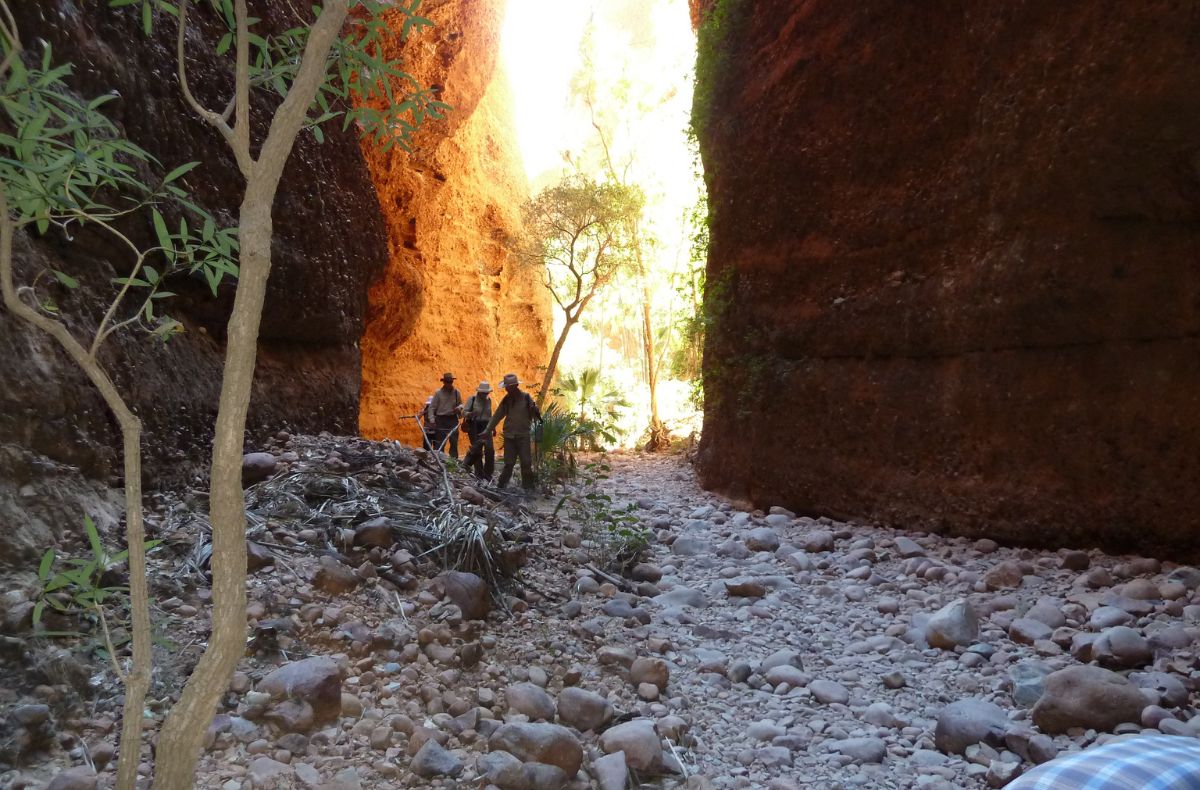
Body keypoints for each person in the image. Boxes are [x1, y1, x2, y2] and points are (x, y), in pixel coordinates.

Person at [483, 373, 541, 491]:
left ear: (515, 386)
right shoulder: (506, 400)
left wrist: (535, 411)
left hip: (523, 435)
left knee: (526, 462)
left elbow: (535, 416)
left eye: (508, 387)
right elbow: (497, 416)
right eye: (506, 387)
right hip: (509, 436)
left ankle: (528, 487)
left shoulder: (526, 398)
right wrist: (487, 430)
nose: (507, 389)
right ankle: (501, 485)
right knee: (509, 463)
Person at [460, 381, 495, 481]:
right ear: (479, 392)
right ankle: (479, 474)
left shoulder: (489, 400)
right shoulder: (472, 399)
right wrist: (470, 414)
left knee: (490, 450)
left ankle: (488, 474)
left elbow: (490, 415)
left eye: (486, 392)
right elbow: (463, 413)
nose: (485, 394)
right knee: (477, 450)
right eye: (483, 392)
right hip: (474, 425)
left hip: (486, 426)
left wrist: (493, 428)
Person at [429, 372, 463, 458]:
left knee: (454, 442)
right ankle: (439, 460)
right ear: (444, 382)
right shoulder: (438, 393)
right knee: (439, 443)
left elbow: (461, 404)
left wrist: (459, 408)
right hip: (441, 420)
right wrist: (432, 420)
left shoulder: (456, 392)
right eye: (447, 382)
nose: (449, 383)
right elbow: (432, 408)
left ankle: (454, 461)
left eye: (451, 382)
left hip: (453, 419)